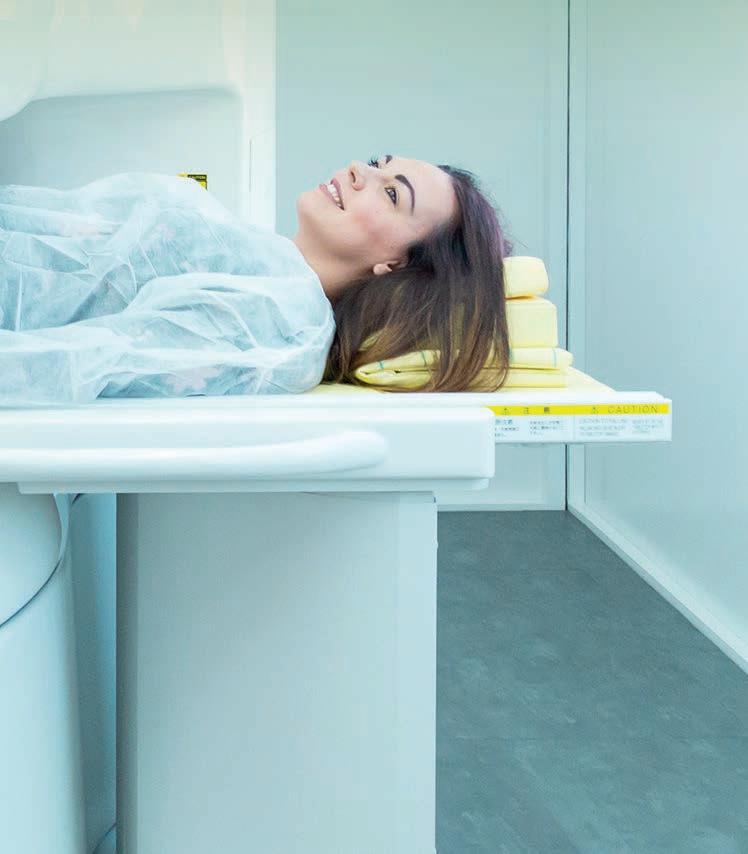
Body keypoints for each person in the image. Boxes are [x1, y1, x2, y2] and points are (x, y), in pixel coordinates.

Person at [0, 155, 511, 406]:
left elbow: (81, 361)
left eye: (392, 194)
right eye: (379, 164)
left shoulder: (280, 322)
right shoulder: (262, 261)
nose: (359, 170)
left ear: (397, 267)